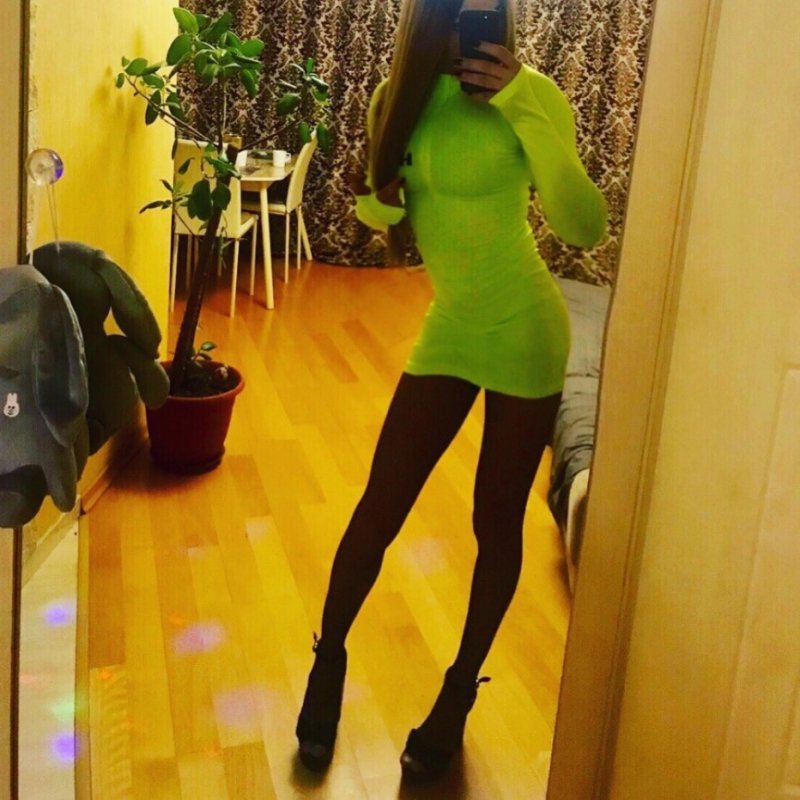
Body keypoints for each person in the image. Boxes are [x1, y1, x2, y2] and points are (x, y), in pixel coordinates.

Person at [295, 0, 608, 781]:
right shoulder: (396, 95)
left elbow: (584, 227)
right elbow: (385, 214)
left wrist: (522, 100)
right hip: (453, 326)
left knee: (494, 520)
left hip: (526, 329)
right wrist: (377, 196)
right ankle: (328, 659)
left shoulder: (532, 96)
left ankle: (459, 692)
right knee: (381, 502)